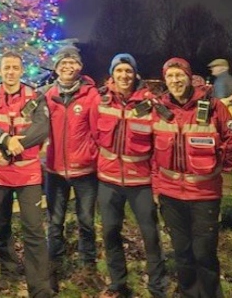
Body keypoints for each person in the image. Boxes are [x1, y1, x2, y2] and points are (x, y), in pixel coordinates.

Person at [0, 51, 54, 298]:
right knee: (1, 226)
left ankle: (39, 286)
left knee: (34, 229)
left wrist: (15, 145)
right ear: (0, 70)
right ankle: (8, 273)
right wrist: (5, 139)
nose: (10, 72)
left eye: (15, 68)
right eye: (6, 67)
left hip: (27, 174)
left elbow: (42, 129)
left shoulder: (35, 97)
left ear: (21, 70)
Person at [153, 57, 232, 298]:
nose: (175, 80)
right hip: (171, 195)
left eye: (180, 75)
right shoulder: (160, 109)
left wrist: (221, 166)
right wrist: (157, 187)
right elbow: (151, 152)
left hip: (204, 195)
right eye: (170, 76)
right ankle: (189, 293)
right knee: (182, 253)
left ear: (189, 77)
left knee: (204, 253)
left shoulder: (212, 106)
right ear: (165, 80)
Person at [93, 53, 168, 298]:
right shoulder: (101, 101)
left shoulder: (150, 104)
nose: (123, 76)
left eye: (128, 71)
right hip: (108, 180)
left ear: (135, 74)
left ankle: (157, 287)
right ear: (112, 74)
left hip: (141, 182)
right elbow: (93, 135)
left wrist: (157, 185)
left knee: (150, 235)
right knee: (110, 232)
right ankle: (118, 284)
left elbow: (159, 147)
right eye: (119, 71)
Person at [42, 45, 102, 292]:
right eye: (62, 63)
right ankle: (52, 268)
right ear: (56, 68)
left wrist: (92, 155)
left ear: (79, 67)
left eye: (72, 62)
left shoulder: (91, 95)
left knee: (86, 221)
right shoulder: (46, 96)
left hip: (84, 170)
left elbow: (99, 132)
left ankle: (88, 267)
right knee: (54, 222)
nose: (68, 66)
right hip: (55, 170)